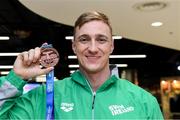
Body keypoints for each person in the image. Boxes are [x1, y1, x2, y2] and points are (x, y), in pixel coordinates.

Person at [0, 11, 164, 119]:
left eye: (101, 39)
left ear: (111, 46)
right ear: (74, 46)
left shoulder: (143, 101)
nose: (93, 48)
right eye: (84, 39)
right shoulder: (43, 97)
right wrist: (16, 77)